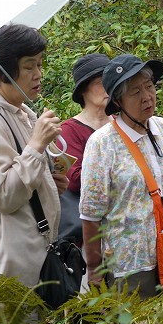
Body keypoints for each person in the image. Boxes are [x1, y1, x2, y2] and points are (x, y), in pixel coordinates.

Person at [0, 24, 67, 287]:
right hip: (2, 269)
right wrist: (38, 144)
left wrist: (49, 183)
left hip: (32, 259)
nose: (38, 74)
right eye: (29, 66)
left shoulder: (22, 113)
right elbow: (5, 195)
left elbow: (23, 177)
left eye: (40, 64)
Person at [80, 54, 163, 299]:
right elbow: (90, 214)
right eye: (135, 92)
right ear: (118, 101)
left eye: (149, 87)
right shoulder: (102, 143)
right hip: (131, 267)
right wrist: (94, 270)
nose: (147, 96)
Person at [58, 53, 111, 245]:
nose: (108, 86)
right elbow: (74, 180)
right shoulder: (67, 131)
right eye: (100, 81)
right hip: (90, 234)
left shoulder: (123, 123)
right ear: (83, 90)